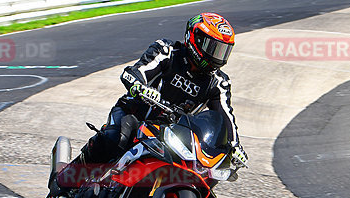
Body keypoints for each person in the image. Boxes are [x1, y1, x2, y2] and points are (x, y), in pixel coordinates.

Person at [66, 12, 248, 175]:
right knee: (115, 138)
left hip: (170, 131)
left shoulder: (219, 82)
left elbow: (226, 116)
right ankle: (69, 178)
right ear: (196, 39)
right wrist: (139, 86)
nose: (217, 56)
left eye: (223, 51)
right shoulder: (167, 51)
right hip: (134, 113)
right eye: (213, 48)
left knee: (201, 170)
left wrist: (234, 145)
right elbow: (135, 72)